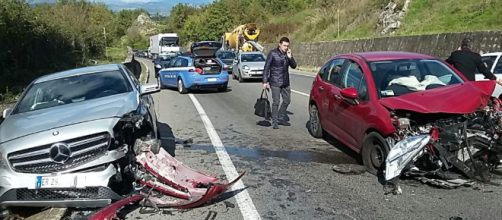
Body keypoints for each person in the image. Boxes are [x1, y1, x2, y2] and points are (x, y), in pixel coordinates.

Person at [262, 37, 297, 129]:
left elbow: (294, 66)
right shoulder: (272, 53)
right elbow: (266, 67)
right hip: (275, 81)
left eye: (287, 46)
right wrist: (265, 81)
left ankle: (280, 117)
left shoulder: (287, 54)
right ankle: (274, 121)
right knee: (276, 102)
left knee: (287, 101)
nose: (286, 47)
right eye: (284, 45)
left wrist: (290, 57)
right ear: (280, 44)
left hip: (285, 82)